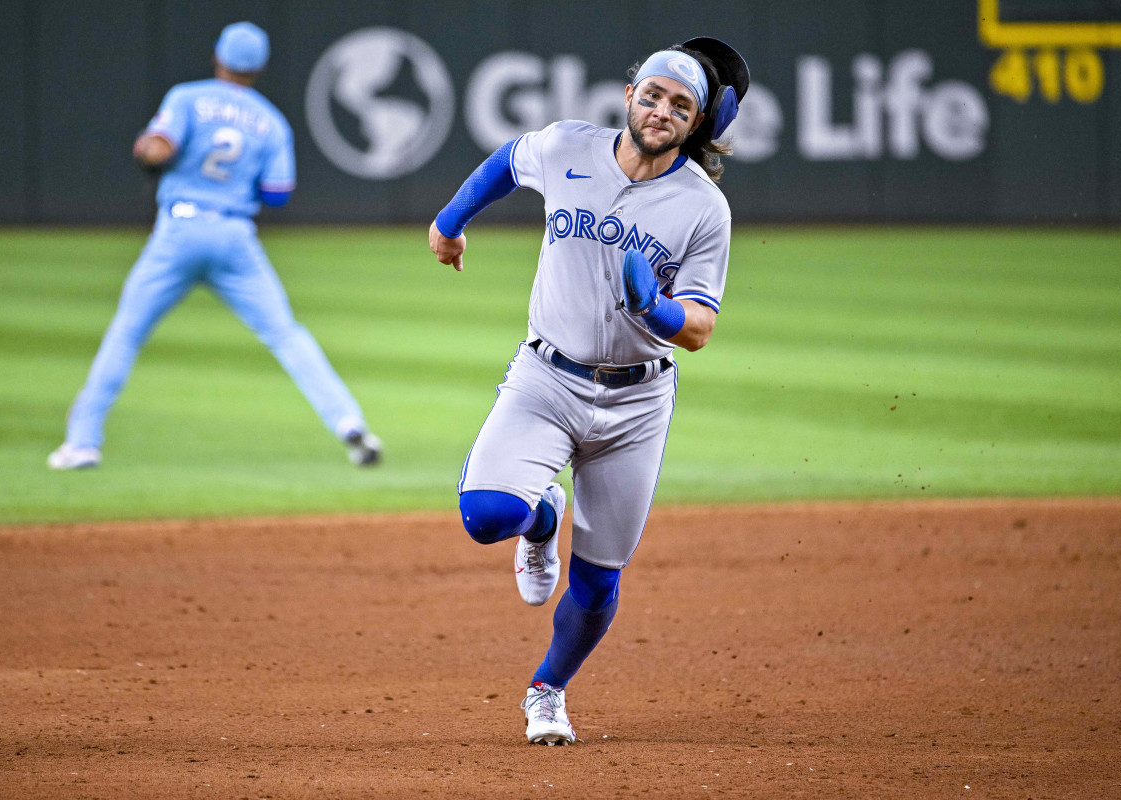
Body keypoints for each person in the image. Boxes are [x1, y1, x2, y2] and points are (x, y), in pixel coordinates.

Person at [428, 37, 749, 744]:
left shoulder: (703, 209)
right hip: (547, 376)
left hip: (636, 405)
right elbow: (505, 163)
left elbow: (696, 330)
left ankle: (547, 690)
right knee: (487, 516)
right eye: (655, 94)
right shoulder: (569, 146)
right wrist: (449, 223)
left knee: (599, 580)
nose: (662, 110)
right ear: (631, 94)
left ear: (696, 124)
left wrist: (655, 310)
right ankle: (542, 519)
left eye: (681, 105)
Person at [48, 21, 381, 471]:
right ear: (259, 68)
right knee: (286, 334)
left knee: (126, 334)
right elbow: (278, 192)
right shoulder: (271, 120)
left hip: (179, 230)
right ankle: (351, 427)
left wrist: (151, 148)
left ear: (218, 58)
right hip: (234, 236)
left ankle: (83, 442)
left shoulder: (187, 97)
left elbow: (158, 148)